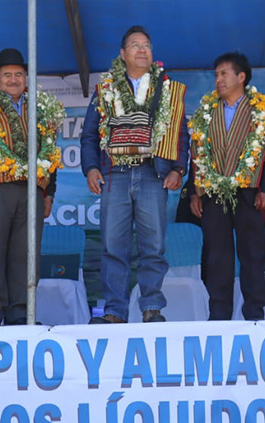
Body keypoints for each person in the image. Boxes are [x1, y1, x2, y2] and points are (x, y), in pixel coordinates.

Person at [81, 25, 190, 324]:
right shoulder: (106, 88)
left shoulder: (165, 89)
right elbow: (89, 134)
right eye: (135, 45)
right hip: (114, 174)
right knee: (113, 245)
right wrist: (91, 167)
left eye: (146, 45)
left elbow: (180, 133)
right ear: (122, 54)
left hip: (153, 174)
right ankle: (114, 310)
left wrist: (179, 168)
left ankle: (151, 308)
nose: (142, 50)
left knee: (153, 246)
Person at [0, 48, 63, 326]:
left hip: (32, 192)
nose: (14, 79)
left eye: (18, 74)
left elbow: (51, 154)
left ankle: (21, 314)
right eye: (8, 75)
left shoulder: (41, 111)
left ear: (26, 78)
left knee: (26, 256)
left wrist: (49, 193)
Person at [187, 52, 265, 321]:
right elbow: (196, 154)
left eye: (224, 74)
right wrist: (195, 192)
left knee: (252, 253)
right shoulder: (206, 112)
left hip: (250, 193)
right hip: (214, 193)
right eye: (216, 75)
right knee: (217, 255)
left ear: (241, 77)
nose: (218, 79)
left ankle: (254, 313)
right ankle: (219, 314)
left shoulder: (263, 111)